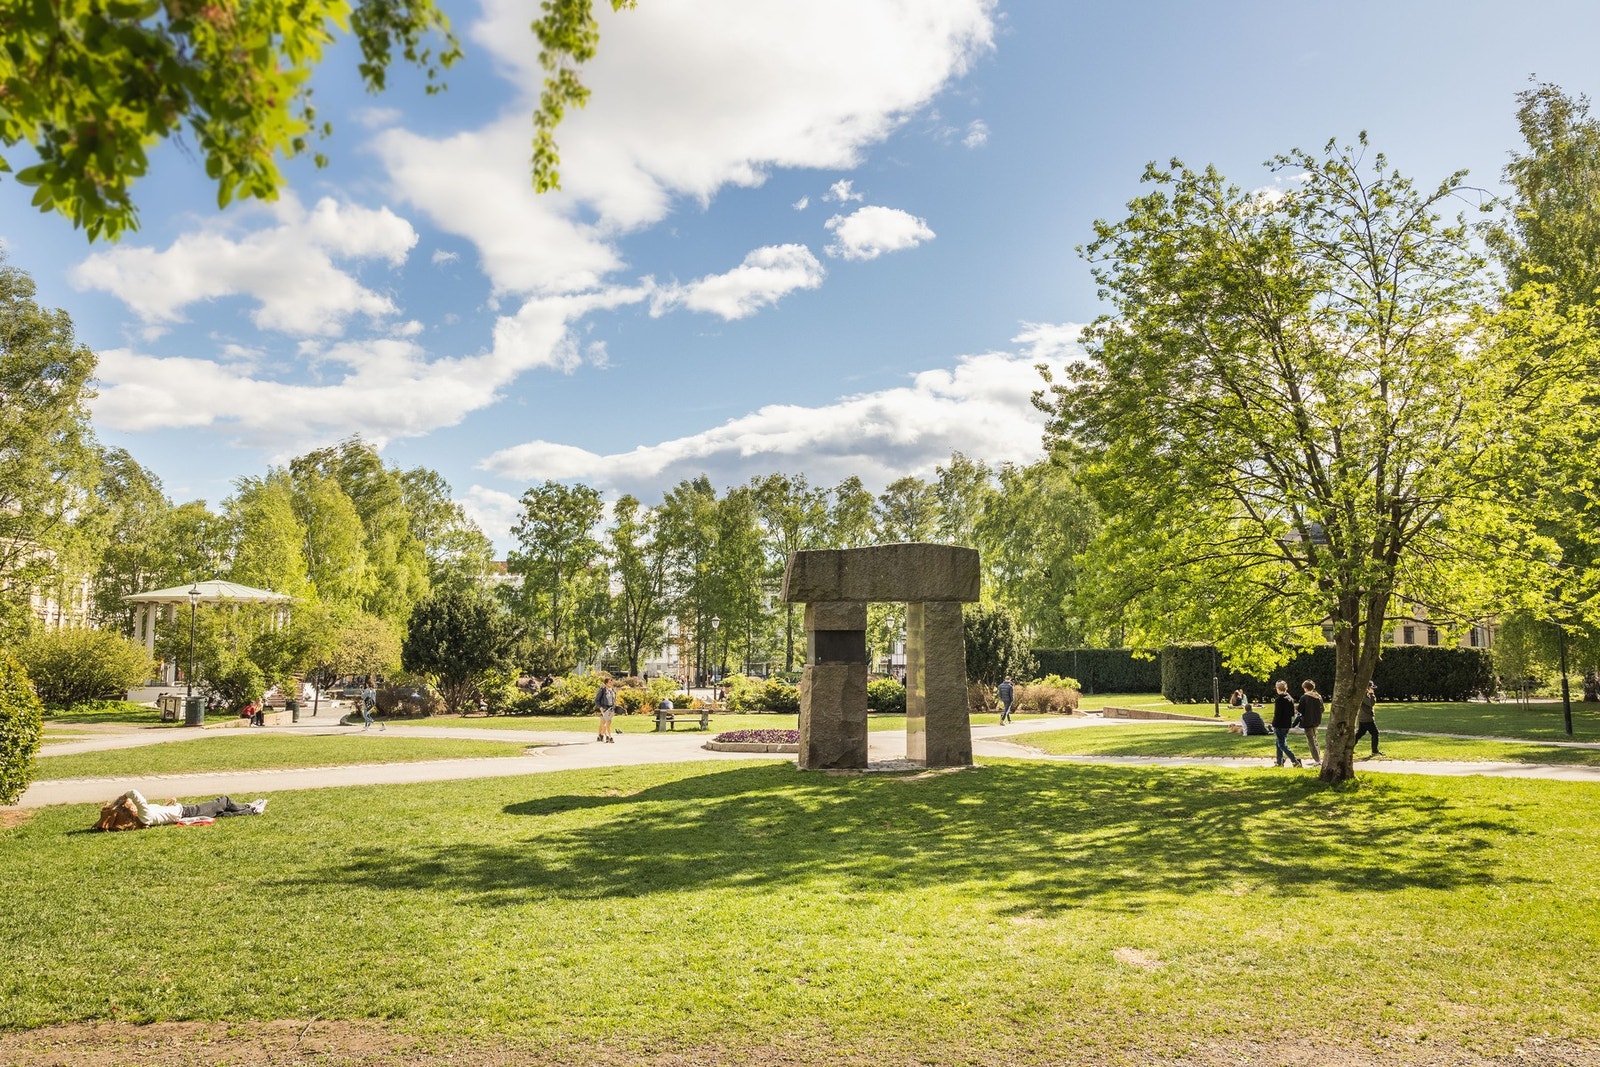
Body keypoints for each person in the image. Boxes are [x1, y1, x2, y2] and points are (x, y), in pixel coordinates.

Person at [100, 789, 266, 830]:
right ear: (131, 812)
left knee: (222, 812)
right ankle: (249, 807)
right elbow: (134, 793)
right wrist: (121, 799)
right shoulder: (144, 816)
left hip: (182, 811)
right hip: (188, 812)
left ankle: (252, 810)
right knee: (224, 801)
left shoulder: (143, 818)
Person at [1271, 680, 1302, 768]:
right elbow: (1292, 713)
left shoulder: (1279, 700)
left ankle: (1294, 761)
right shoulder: (1290, 698)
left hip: (1280, 724)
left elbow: (1277, 714)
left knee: (1281, 744)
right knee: (1278, 743)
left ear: (1278, 688)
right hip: (1287, 723)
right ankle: (1279, 762)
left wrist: (1274, 723)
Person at [1297, 679, 1325, 765]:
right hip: (1316, 720)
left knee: (1311, 741)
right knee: (1315, 739)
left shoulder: (1304, 697)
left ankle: (1317, 760)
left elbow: (1300, 709)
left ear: (1305, 688)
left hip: (1307, 721)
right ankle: (1318, 758)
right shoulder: (1318, 697)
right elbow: (1322, 709)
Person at [1354, 681, 1383, 757]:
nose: (1372, 689)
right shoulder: (1364, 695)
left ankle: (1349, 748)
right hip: (1366, 718)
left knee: (1360, 733)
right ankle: (1375, 750)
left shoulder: (1364, 694)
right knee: (1375, 733)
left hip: (1364, 717)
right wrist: (1372, 694)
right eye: (1371, 688)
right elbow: (1371, 703)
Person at [594, 676, 617, 743]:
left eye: (611, 682)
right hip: (604, 708)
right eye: (610, 682)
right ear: (606, 683)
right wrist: (600, 707)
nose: (611, 683)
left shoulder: (612, 690)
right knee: (606, 723)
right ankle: (608, 737)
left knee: (604, 723)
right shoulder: (602, 690)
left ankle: (600, 736)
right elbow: (596, 700)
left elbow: (614, 700)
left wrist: (614, 707)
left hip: (610, 709)